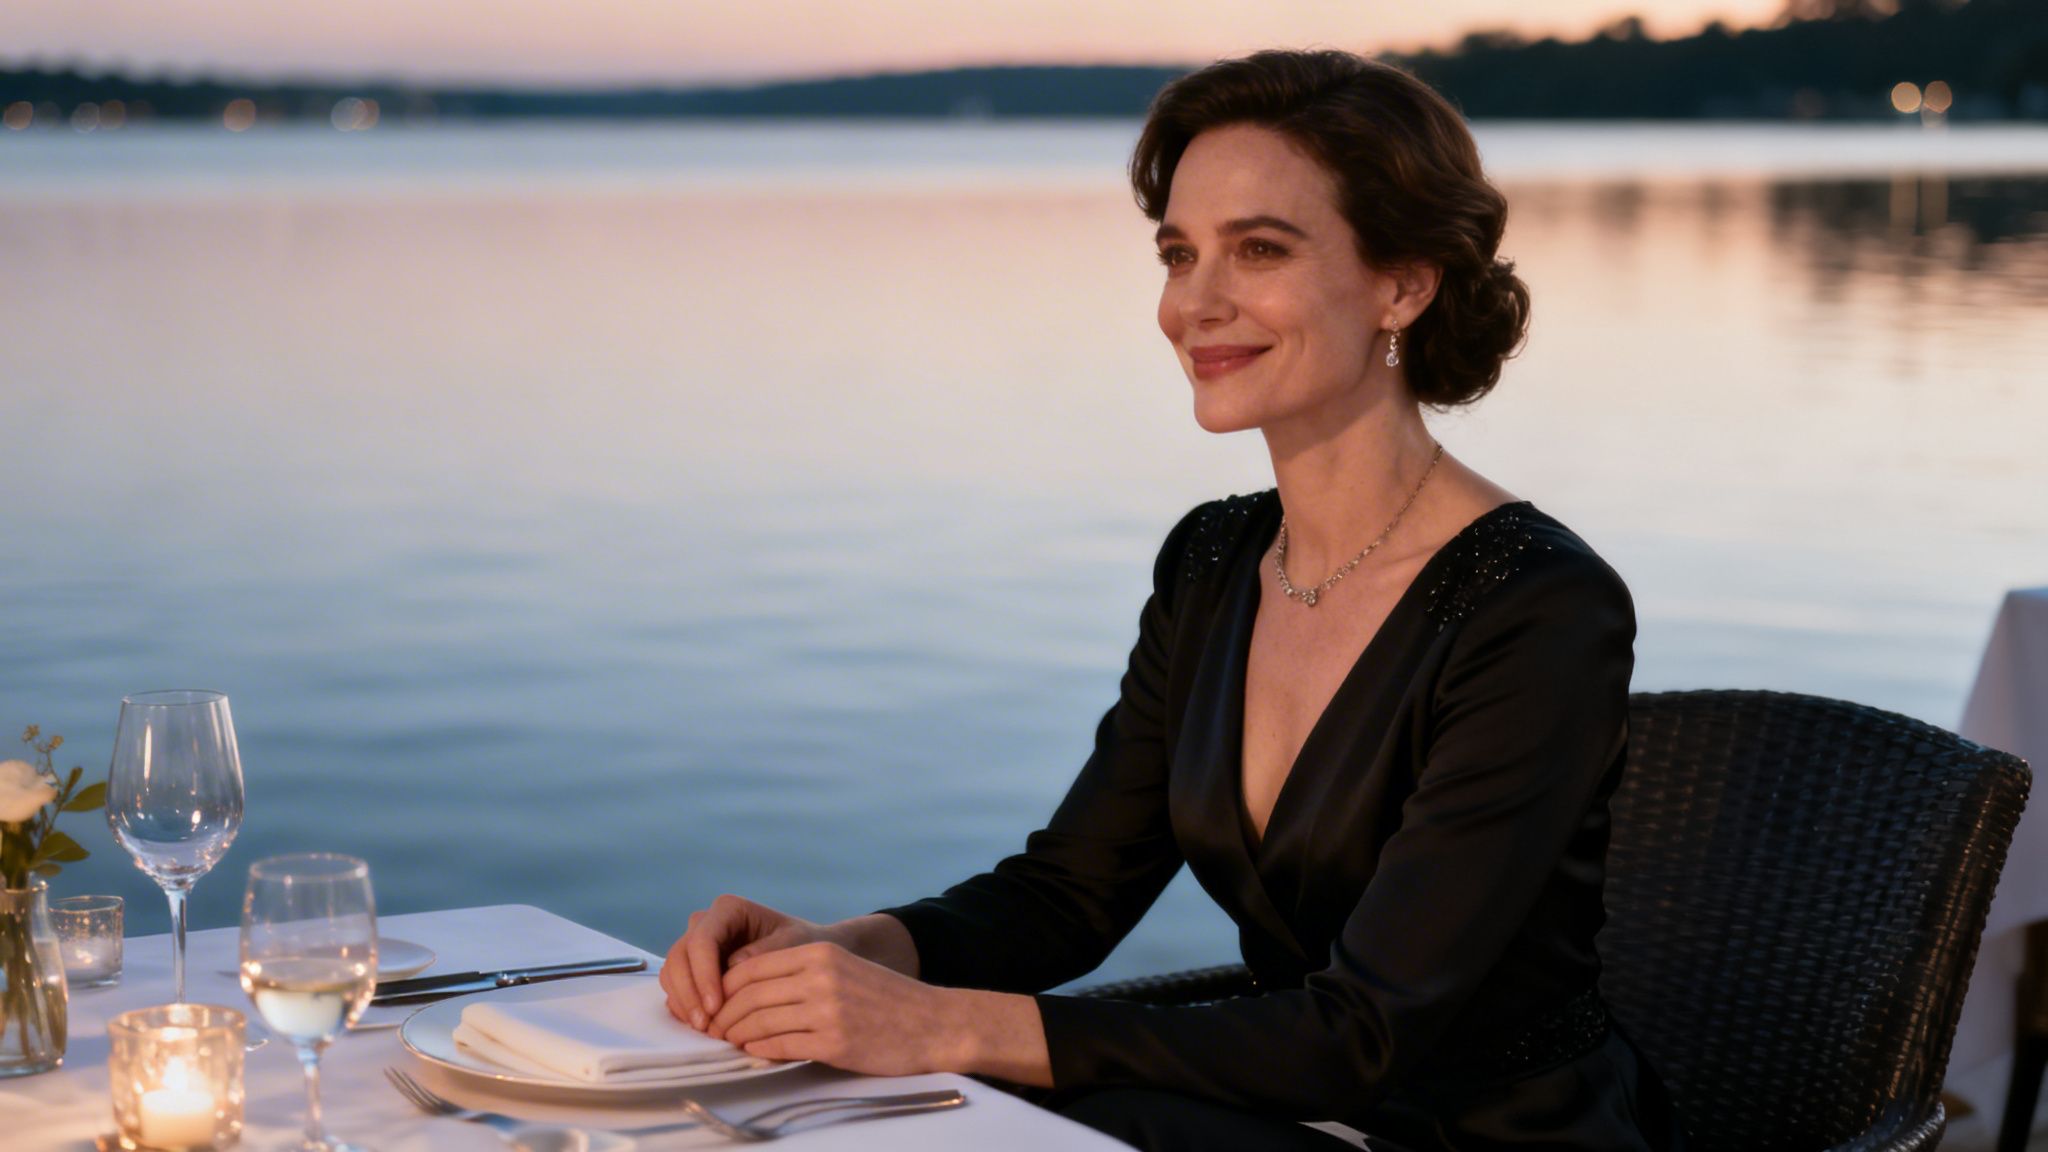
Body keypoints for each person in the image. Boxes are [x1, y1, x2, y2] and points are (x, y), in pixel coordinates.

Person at [659, 49, 1684, 1152]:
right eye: (1178, 253)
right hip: (1283, 1115)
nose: (1193, 304)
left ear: (1402, 282)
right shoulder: (1211, 560)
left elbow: (1363, 1034)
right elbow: (1067, 894)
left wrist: (942, 1026)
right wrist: (850, 955)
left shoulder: (1536, 607)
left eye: (1258, 249)